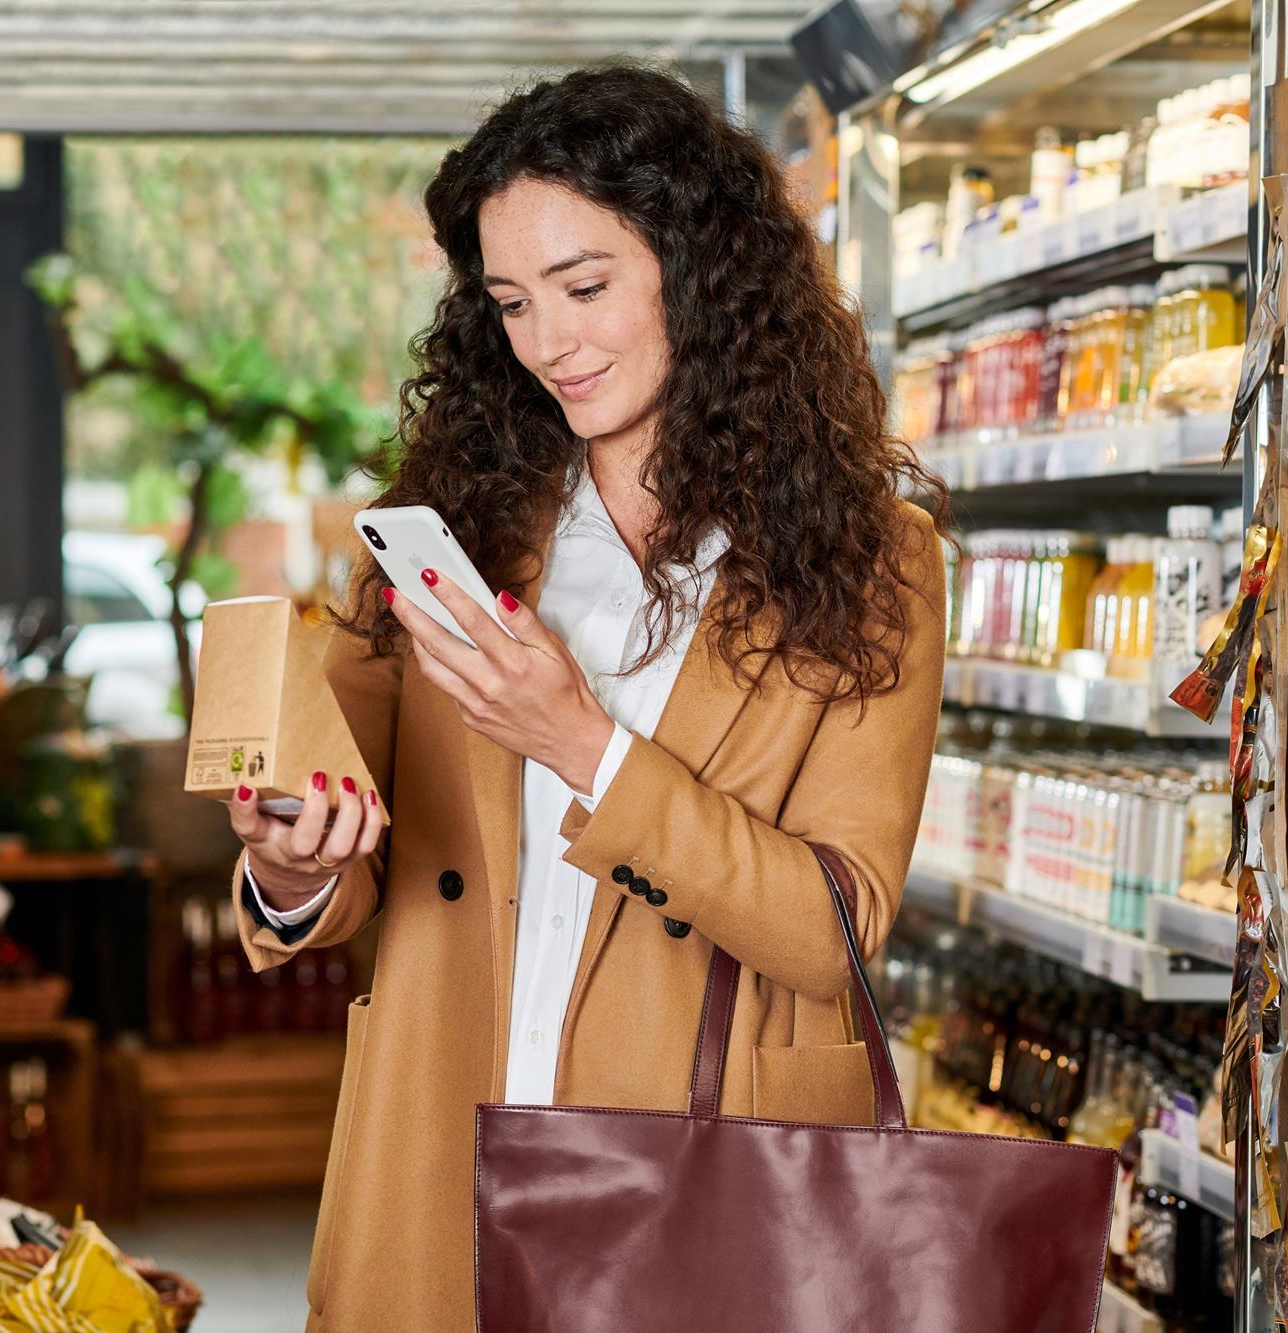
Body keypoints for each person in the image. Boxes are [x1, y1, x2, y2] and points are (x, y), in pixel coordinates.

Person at [223, 63, 952, 1332]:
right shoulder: (434, 534)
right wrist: (289, 863)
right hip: (438, 1150)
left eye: (585, 286)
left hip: (700, 1165)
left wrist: (579, 745)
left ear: (702, 267)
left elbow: (832, 928)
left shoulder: (867, 556)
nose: (547, 341)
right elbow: (335, 844)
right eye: (509, 302)